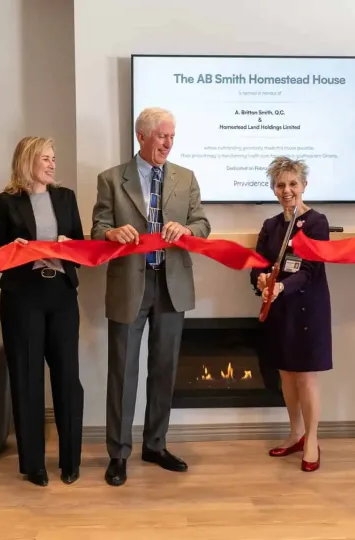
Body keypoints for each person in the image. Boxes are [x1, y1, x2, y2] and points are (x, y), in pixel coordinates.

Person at [91, 107, 211, 486]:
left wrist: (186, 229)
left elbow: (203, 225)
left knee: (164, 369)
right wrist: (110, 234)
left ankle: (155, 445)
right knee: (123, 372)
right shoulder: (111, 179)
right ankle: (118, 453)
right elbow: (97, 228)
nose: (168, 143)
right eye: (161, 136)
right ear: (141, 136)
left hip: (172, 284)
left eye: (172, 136)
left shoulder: (186, 178)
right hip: (130, 284)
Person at [0, 136, 84, 487]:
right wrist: (12, 249)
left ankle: (71, 461)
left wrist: (69, 246)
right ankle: (34, 465)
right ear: (28, 160)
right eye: (45, 157)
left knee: (67, 379)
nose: (52, 163)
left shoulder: (66, 197)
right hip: (22, 297)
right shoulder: (6, 201)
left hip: (60, 293)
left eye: (53, 157)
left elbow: (80, 245)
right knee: (27, 379)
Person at [250, 156, 331, 472]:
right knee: (286, 374)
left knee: (306, 377)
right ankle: (295, 432)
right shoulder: (270, 226)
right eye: (281, 184)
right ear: (273, 189)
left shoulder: (316, 222)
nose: (287, 190)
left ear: (304, 186)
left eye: (293, 184)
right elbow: (258, 262)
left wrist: (281, 286)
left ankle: (312, 439)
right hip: (278, 311)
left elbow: (310, 268)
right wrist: (260, 280)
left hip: (308, 310)